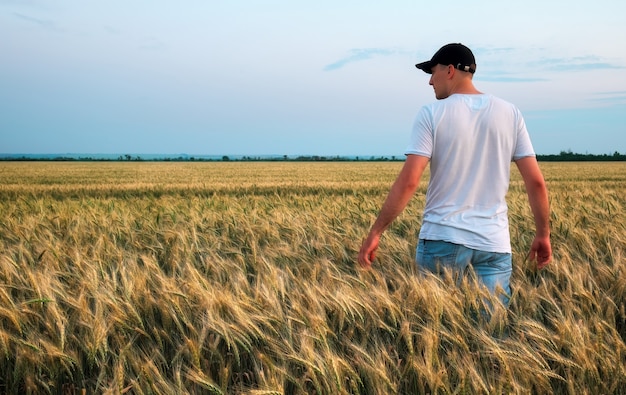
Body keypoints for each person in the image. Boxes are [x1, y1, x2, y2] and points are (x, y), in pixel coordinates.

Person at [358, 43, 552, 306]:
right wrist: (543, 234)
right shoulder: (510, 113)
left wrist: (376, 232)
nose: (429, 81)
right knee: (491, 335)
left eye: (433, 71)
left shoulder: (431, 114)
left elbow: (409, 181)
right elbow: (536, 182)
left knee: (436, 333)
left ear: (450, 71)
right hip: (494, 245)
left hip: (442, 239)